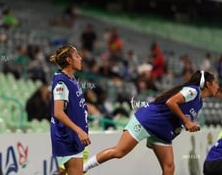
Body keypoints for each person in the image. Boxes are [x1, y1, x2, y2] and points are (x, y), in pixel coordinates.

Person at [83, 70, 219, 175]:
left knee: (169, 167)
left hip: (162, 131)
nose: (218, 86)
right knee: (119, 152)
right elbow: (171, 102)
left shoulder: (199, 103)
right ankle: (83, 168)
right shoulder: (193, 91)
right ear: (207, 84)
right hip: (148, 120)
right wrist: (187, 122)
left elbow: (179, 118)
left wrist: (186, 125)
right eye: (216, 83)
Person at [49, 45, 91, 175]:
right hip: (68, 139)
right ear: (69, 60)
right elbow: (58, 112)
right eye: (77, 56)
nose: (81, 58)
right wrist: (79, 131)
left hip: (74, 138)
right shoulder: (61, 83)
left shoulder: (72, 79)